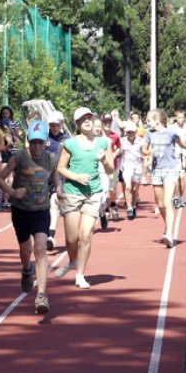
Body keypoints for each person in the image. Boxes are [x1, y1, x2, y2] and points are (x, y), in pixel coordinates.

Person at [0, 119, 62, 314]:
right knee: (26, 251)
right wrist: (13, 192)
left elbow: (55, 178)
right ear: (28, 141)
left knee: (40, 248)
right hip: (21, 210)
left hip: (41, 210)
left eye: (40, 142)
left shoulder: (50, 158)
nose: (36, 146)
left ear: (45, 142)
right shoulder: (20, 157)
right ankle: (26, 270)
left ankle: (41, 294)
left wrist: (59, 191)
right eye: (33, 142)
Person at [55, 107, 114, 289]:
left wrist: (104, 159)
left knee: (86, 235)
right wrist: (75, 177)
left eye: (89, 117)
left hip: (93, 193)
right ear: (78, 124)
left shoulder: (103, 143)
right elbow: (60, 168)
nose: (87, 121)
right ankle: (72, 261)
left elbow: (111, 169)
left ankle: (80, 274)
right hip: (72, 192)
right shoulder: (70, 144)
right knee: (72, 238)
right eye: (83, 119)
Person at [143, 108, 186, 248]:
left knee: (167, 203)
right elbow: (143, 150)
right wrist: (149, 151)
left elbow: (182, 144)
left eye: (149, 120)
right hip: (156, 171)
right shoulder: (149, 134)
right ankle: (168, 226)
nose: (147, 122)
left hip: (170, 170)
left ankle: (169, 235)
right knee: (160, 204)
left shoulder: (171, 133)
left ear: (157, 121)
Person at [45, 111, 70, 251]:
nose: (55, 128)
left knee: (54, 202)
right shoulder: (43, 137)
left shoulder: (66, 139)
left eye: (57, 125)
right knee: (44, 208)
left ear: (61, 124)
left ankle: (51, 235)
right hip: (43, 177)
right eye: (52, 125)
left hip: (59, 177)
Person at [119, 121, 144, 220]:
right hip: (127, 166)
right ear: (126, 132)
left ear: (136, 131)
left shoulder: (141, 141)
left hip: (137, 166)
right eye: (128, 132)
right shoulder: (122, 141)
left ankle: (133, 206)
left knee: (135, 189)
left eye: (132, 132)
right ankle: (129, 208)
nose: (130, 134)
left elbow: (144, 152)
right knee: (128, 187)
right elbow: (118, 151)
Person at [172, 109, 186, 208]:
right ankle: (175, 197)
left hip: (185, 154)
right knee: (176, 178)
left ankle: (181, 197)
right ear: (176, 118)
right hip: (175, 154)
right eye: (179, 117)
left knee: (182, 177)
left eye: (183, 117)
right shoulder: (172, 128)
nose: (181, 119)